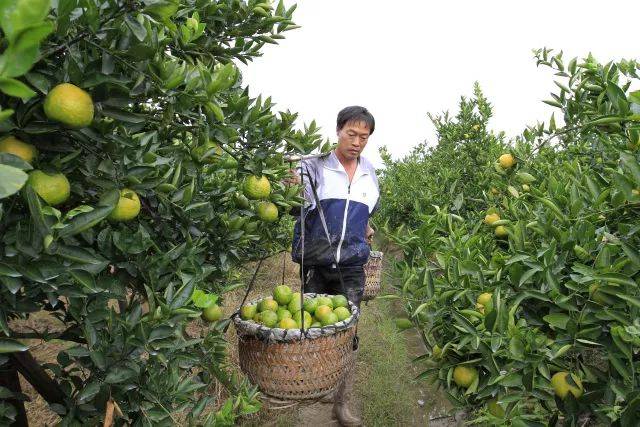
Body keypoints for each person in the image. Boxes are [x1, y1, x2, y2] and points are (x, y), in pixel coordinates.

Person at [288, 106, 379, 426]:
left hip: (352, 267)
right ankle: (308, 393)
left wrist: (367, 230)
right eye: (351, 134)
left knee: (347, 335)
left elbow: (365, 215)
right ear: (338, 131)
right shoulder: (314, 167)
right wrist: (291, 184)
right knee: (309, 330)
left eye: (363, 137)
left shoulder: (371, 175)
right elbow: (296, 206)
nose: (356, 142)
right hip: (316, 261)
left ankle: (340, 404)